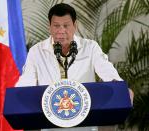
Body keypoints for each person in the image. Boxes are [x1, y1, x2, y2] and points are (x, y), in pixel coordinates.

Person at [16, 3, 133, 131]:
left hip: (85, 125)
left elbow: (107, 71)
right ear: (49, 27)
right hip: (49, 125)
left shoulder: (90, 47)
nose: (61, 31)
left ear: (75, 26)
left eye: (66, 26)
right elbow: (26, 82)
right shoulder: (36, 51)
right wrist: (17, 95)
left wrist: (121, 88)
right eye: (56, 26)